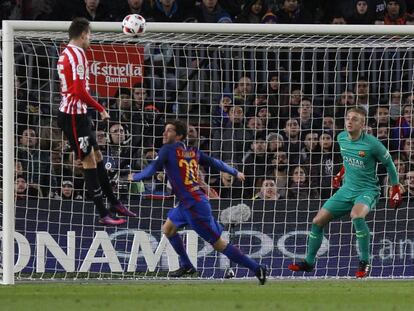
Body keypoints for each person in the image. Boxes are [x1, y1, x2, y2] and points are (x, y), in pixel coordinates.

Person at [129, 120, 267, 284]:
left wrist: (134, 177)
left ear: (179, 136)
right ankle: (187, 265)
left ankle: (257, 267)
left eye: (170, 131)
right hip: (187, 202)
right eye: (165, 130)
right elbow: (215, 162)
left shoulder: (167, 150)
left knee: (218, 244)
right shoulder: (193, 152)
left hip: (194, 206)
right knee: (168, 229)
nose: (165, 134)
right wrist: (234, 171)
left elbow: (151, 170)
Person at [288, 107, 404, 278]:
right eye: (348, 118)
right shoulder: (341, 137)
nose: (349, 121)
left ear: (362, 123)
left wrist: (395, 188)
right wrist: (340, 174)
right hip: (346, 189)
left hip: (367, 190)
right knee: (317, 221)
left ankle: (364, 262)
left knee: (357, 216)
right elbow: (348, 160)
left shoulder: (373, 144)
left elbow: (390, 165)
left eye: (354, 119)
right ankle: (309, 262)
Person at [56, 18, 136, 226]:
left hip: (79, 116)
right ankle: (103, 213)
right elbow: (79, 91)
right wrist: (100, 108)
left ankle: (114, 202)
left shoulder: (66, 53)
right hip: (73, 118)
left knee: (98, 155)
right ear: (83, 34)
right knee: (88, 161)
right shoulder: (78, 55)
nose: (90, 39)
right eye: (89, 34)